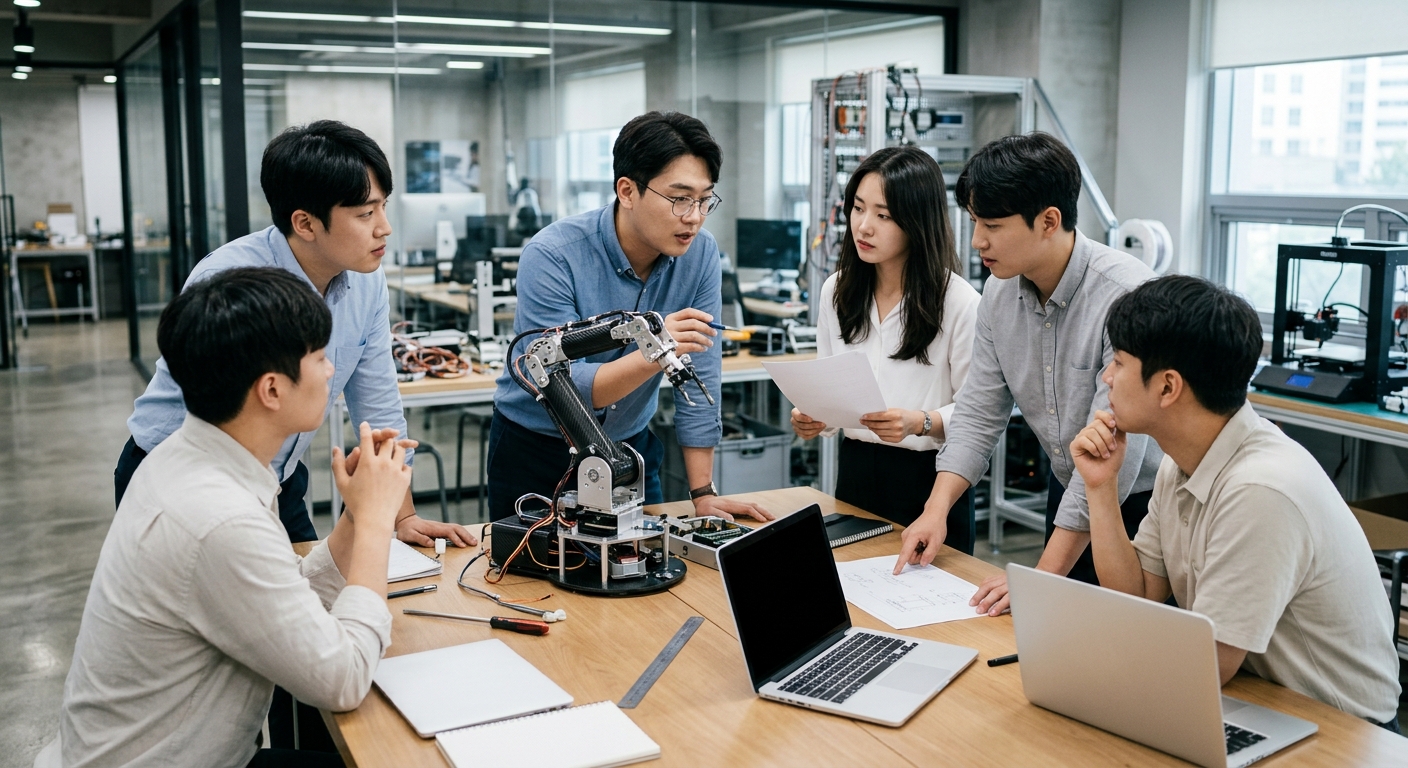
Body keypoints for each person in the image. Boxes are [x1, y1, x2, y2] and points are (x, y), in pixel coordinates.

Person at [37, 268, 410, 768]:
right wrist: (374, 524)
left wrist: (355, 517)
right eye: (320, 357)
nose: (330, 371)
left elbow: (277, 593)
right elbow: (342, 680)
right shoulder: (219, 517)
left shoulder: (193, 459)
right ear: (272, 390)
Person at [116, 120, 474, 549]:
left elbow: (377, 405)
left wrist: (403, 515)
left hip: (278, 473)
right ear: (305, 223)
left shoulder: (365, 278)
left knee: (309, 589)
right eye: (365, 213)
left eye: (383, 207)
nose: (384, 228)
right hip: (187, 479)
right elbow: (226, 420)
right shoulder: (233, 282)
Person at [1069, 275, 1402, 731]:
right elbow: (1138, 597)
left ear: (1168, 388)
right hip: (1256, 697)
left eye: (1120, 363)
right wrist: (1101, 486)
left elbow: (1207, 666)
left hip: (1341, 730)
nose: (1106, 377)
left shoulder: (1259, 490)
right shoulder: (1182, 461)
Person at [893, 132, 1162, 613]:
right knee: (1052, 637)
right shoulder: (999, 296)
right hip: (1072, 489)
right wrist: (936, 512)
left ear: (1048, 221)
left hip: (1143, 504)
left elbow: (1118, 459)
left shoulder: (1126, 296)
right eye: (975, 222)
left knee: (1121, 652)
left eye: (992, 225)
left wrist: (1039, 578)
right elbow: (978, 413)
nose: (977, 241)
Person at [488, 111, 773, 524]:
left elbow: (700, 375)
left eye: (704, 199)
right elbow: (566, 388)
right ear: (627, 190)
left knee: (643, 574)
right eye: (679, 198)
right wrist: (657, 349)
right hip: (539, 450)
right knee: (530, 581)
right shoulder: (553, 254)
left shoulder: (701, 254)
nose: (693, 216)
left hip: (628, 450)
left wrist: (703, 493)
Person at [790, 146, 981, 552]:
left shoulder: (959, 301)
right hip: (856, 472)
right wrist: (817, 416)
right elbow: (834, 385)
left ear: (917, 220)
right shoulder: (837, 291)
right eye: (858, 208)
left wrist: (921, 422)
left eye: (884, 215)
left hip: (931, 482)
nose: (864, 226)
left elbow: (977, 413)